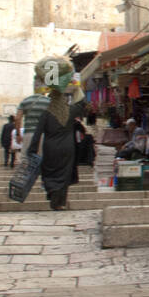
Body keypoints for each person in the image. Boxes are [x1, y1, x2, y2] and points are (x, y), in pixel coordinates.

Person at [25, 56, 88, 210]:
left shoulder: (46, 113)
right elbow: (82, 104)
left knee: (50, 172)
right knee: (64, 172)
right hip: (67, 147)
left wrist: (31, 150)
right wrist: (77, 87)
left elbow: (37, 133)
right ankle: (60, 201)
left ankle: (53, 195)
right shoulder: (70, 111)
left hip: (50, 147)